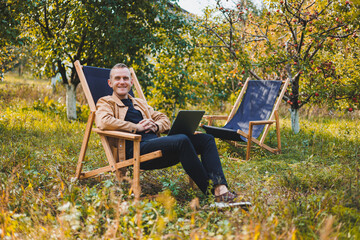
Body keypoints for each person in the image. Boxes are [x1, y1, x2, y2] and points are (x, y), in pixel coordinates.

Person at [95, 63, 250, 207]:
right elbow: (103, 121)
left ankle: (221, 188)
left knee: (206, 139)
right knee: (182, 140)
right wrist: (136, 127)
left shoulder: (139, 103)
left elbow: (163, 119)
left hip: (155, 147)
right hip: (135, 150)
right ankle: (214, 195)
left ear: (131, 82)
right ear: (110, 83)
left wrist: (155, 125)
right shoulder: (105, 102)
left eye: (125, 78)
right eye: (117, 78)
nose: (122, 82)